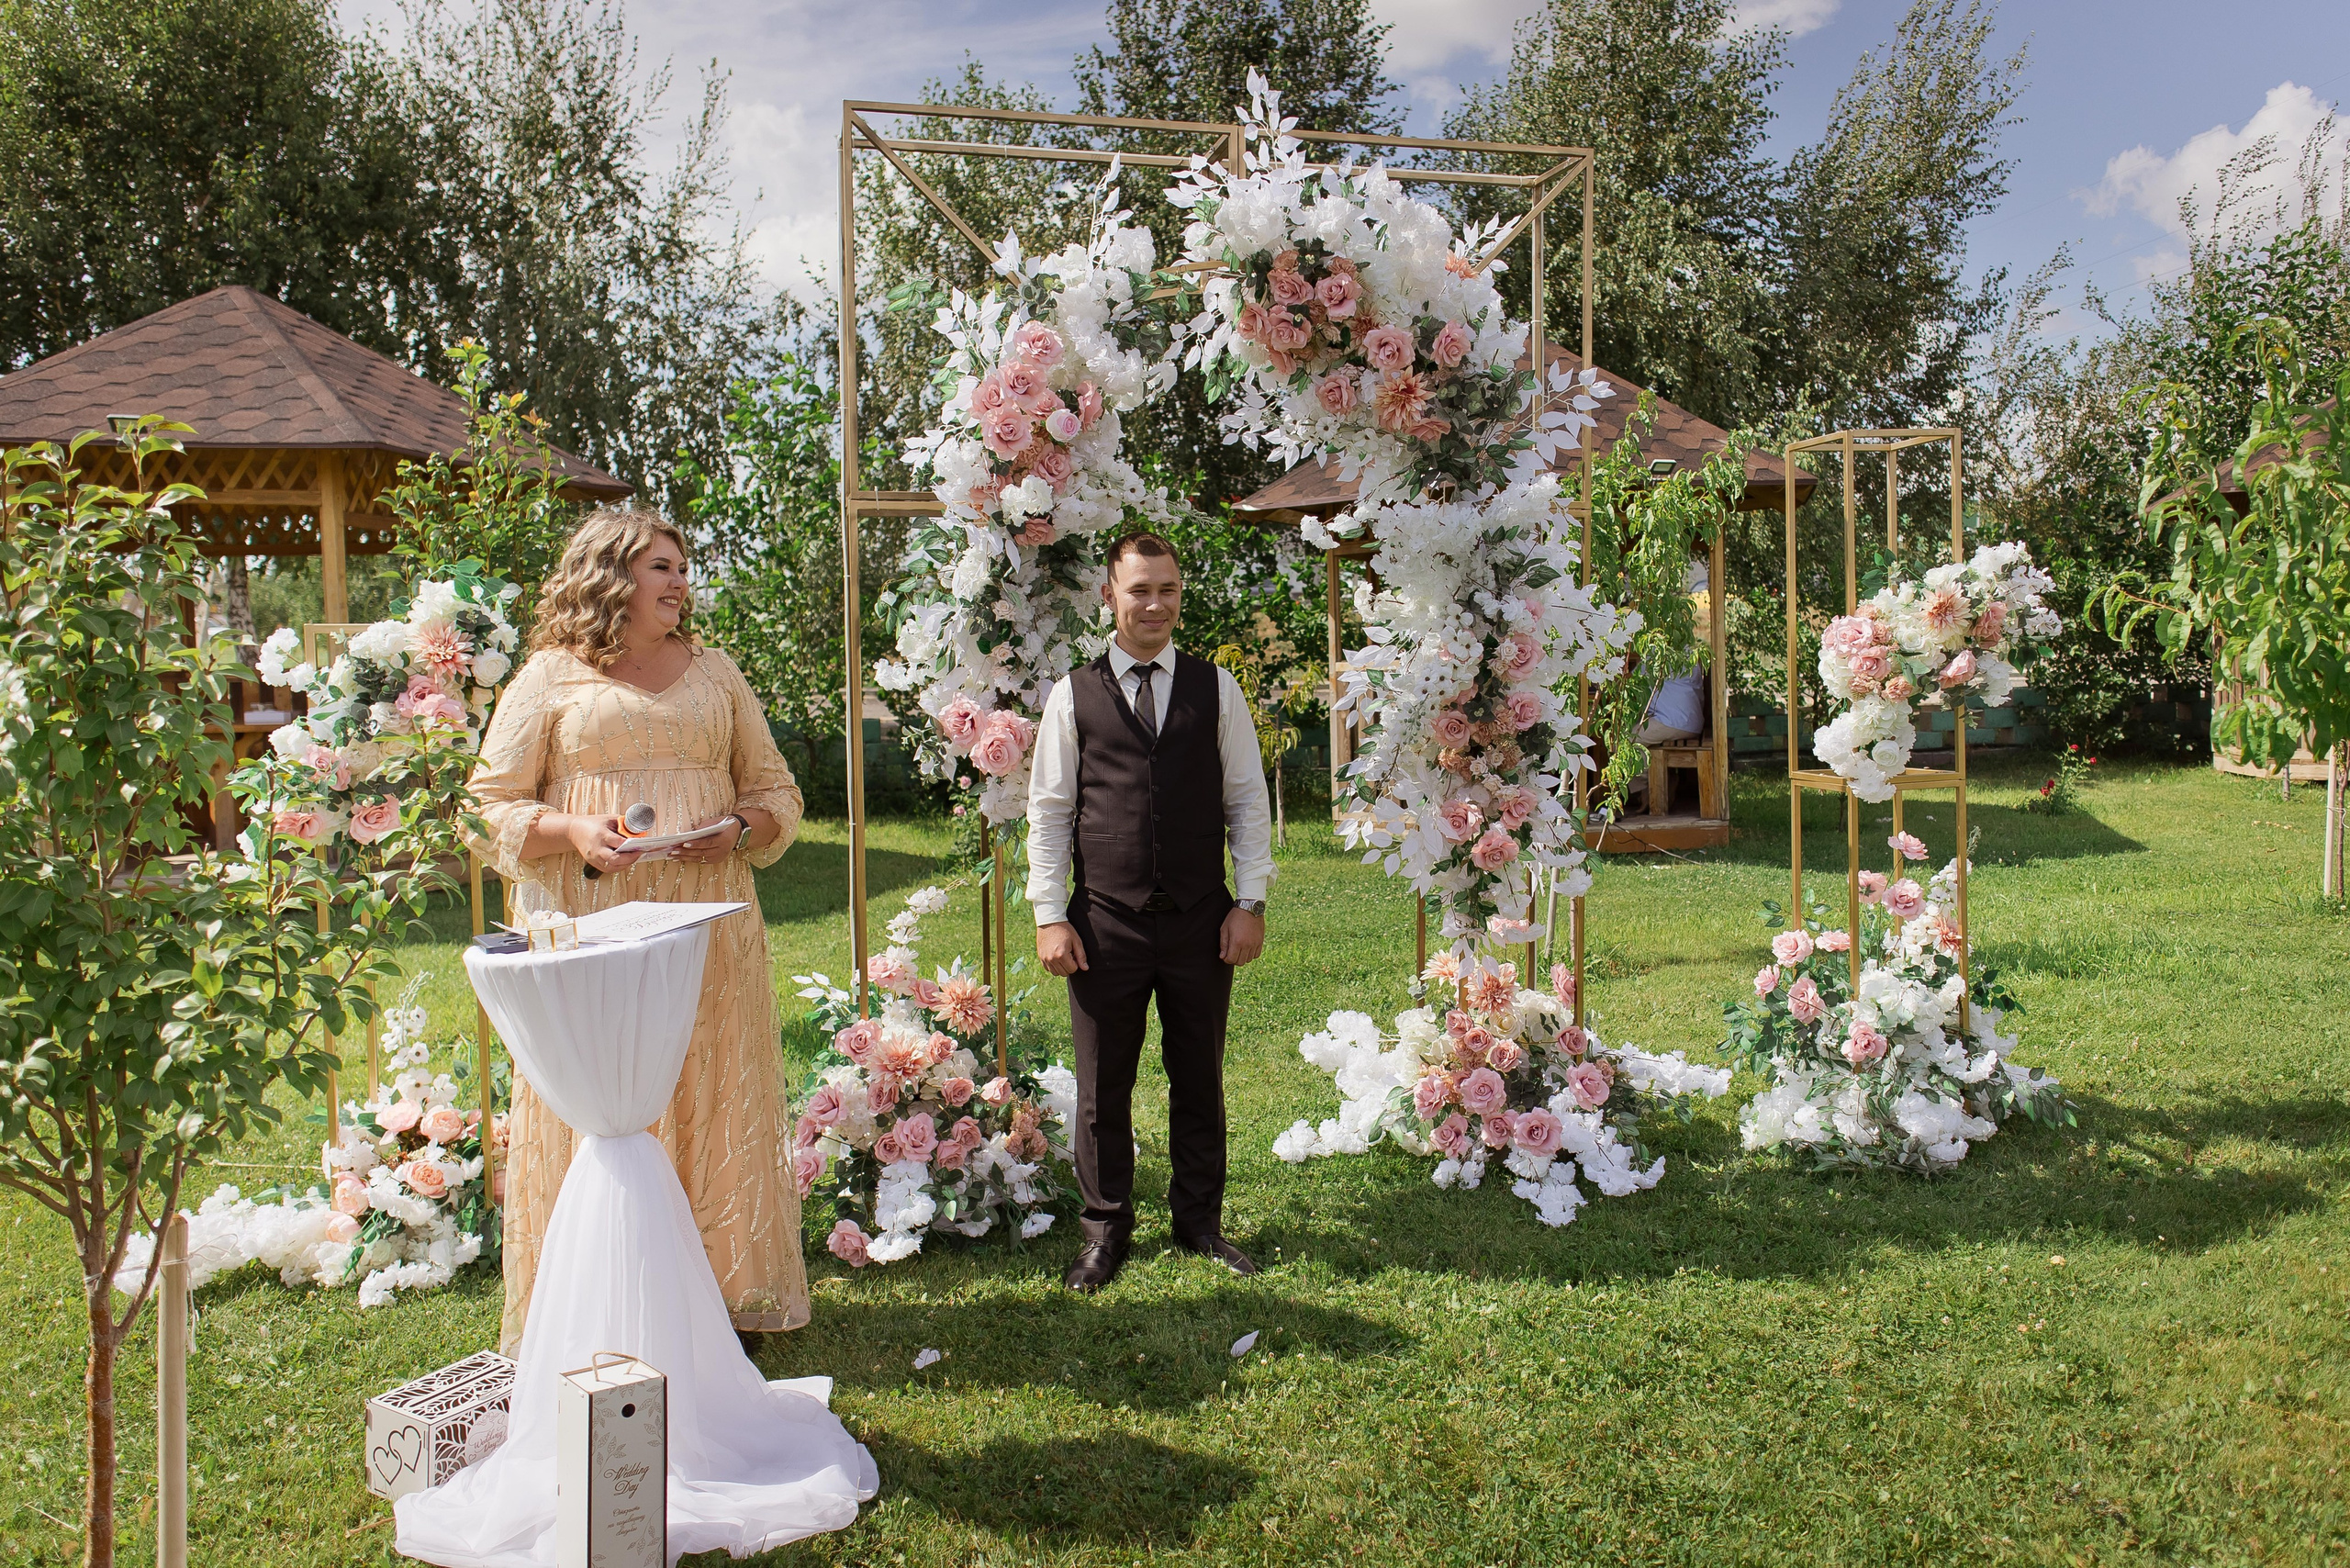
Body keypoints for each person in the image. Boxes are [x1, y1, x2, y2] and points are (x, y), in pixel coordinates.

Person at [469, 506, 810, 1351]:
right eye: (662, 566)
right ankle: (596, 1302)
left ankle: (722, 1296)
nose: (680, 581)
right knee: (607, 1093)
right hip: (591, 925)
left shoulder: (718, 672)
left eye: (682, 566)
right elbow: (488, 806)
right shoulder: (549, 677)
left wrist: (735, 832)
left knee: (707, 1091)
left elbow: (778, 796)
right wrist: (574, 833)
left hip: (706, 925)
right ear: (611, 575)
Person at [1027, 532, 1275, 1292]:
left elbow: (1246, 802)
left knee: (1198, 1073)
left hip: (1202, 917)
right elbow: (1049, 811)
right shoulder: (1073, 695)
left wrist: (1250, 901)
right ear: (1110, 595)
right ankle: (1104, 1232)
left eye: (1167, 589)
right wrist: (1048, 913)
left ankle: (1199, 1222)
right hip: (1105, 921)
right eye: (1140, 590)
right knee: (1104, 1086)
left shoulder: (1216, 688)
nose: (1155, 604)